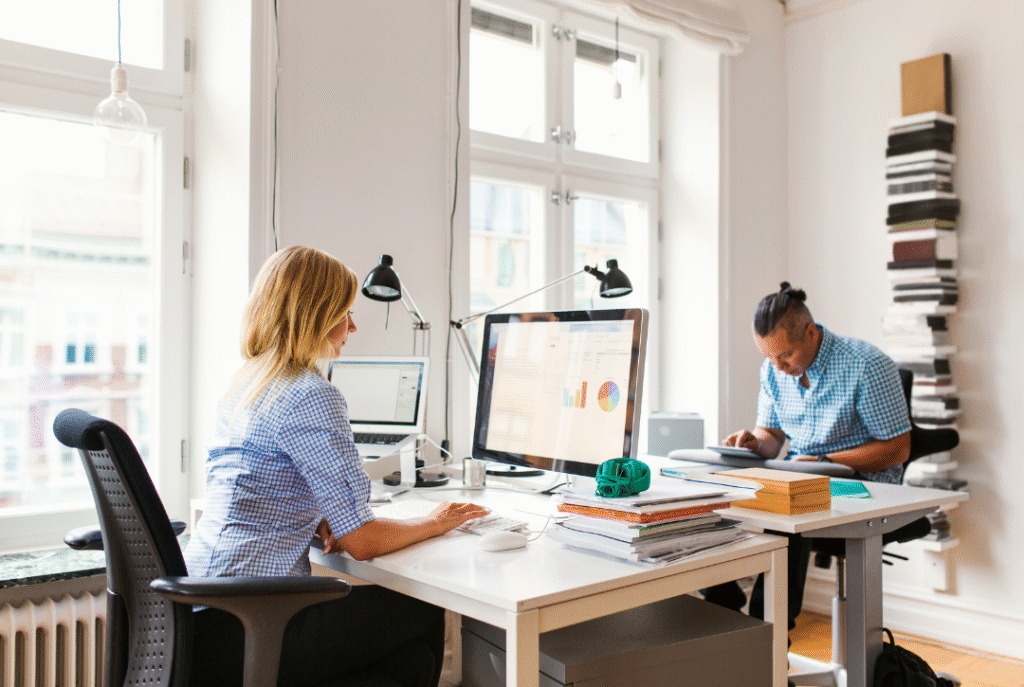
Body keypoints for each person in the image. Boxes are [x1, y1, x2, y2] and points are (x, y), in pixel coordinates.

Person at [184, 245, 489, 687]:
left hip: (198, 620)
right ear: (313, 316)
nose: (352, 325)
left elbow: (258, 489)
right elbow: (362, 542)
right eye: (343, 312)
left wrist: (316, 516)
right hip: (254, 630)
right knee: (420, 608)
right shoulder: (311, 394)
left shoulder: (246, 384)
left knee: (390, 652)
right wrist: (437, 520)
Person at [702, 282, 911, 629]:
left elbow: (897, 449)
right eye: (769, 357)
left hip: (865, 486)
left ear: (811, 333)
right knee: (717, 502)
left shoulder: (866, 365)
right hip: (802, 475)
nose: (777, 367)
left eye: (785, 356)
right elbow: (773, 437)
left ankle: (766, 638)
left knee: (794, 503)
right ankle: (725, 621)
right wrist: (754, 442)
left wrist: (827, 462)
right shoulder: (773, 370)